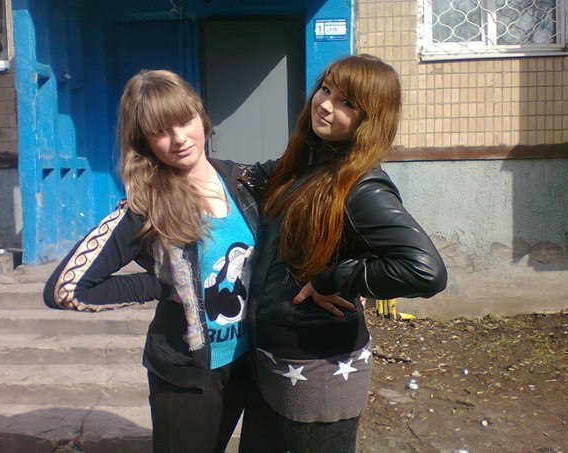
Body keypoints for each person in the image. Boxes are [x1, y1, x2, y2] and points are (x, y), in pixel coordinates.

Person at [43, 69, 263, 453]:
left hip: (251, 362)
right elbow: (65, 288)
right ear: (143, 141)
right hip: (187, 378)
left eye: (184, 120)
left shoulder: (241, 180)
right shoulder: (146, 207)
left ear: (201, 116)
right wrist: (161, 285)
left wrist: (340, 276)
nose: (179, 139)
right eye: (161, 131)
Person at [239, 54, 448, 452]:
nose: (325, 104)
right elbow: (246, 176)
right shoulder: (305, 163)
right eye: (325, 89)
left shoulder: (361, 186)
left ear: (370, 119)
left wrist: (333, 277)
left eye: (346, 102)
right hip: (271, 359)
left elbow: (426, 270)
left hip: (319, 369)